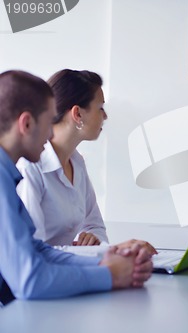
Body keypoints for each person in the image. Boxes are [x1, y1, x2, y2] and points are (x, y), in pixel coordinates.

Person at [0, 70, 153, 306]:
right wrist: (109, 275)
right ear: (27, 123)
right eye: (48, 123)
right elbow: (28, 278)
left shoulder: (7, 174)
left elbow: (37, 250)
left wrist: (106, 259)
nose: (52, 133)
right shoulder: (11, 176)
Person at [16, 69, 154, 254]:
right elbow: (33, 253)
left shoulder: (76, 162)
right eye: (100, 108)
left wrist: (94, 239)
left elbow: (96, 226)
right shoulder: (30, 168)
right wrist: (112, 251)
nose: (105, 116)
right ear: (78, 114)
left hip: (69, 269)